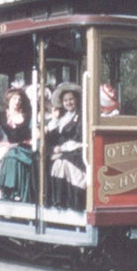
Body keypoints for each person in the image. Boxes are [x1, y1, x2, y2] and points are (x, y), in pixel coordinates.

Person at [0, 86, 33, 201]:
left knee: (8, 157)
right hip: (5, 145)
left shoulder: (26, 116)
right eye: (14, 99)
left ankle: (10, 192)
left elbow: (31, 133)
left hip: (22, 145)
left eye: (19, 99)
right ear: (9, 100)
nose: (17, 102)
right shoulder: (1, 115)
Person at [46, 82, 86, 210]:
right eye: (65, 100)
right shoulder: (63, 117)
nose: (68, 103)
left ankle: (69, 202)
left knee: (61, 162)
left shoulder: (81, 116)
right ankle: (54, 201)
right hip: (64, 150)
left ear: (76, 100)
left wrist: (62, 148)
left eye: (71, 99)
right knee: (43, 160)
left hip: (78, 150)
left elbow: (78, 137)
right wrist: (54, 119)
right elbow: (54, 137)